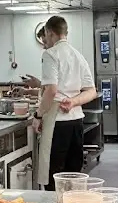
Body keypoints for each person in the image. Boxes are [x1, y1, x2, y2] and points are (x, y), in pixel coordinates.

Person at [33, 16, 97, 190]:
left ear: (49, 32)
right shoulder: (78, 55)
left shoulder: (50, 54)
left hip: (57, 123)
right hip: (76, 122)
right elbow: (91, 91)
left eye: (45, 36)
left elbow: (51, 91)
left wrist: (37, 115)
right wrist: (74, 101)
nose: (44, 41)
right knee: (73, 176)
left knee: (55, 177)